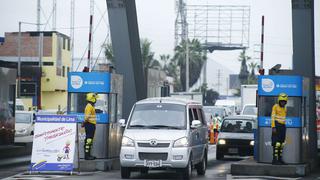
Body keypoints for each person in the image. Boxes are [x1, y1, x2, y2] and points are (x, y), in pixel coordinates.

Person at [271, 93, 288, 165]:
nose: (283, 103)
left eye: (284, 101)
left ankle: (280, 159)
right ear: (279, 101)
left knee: (281, 143)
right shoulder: (275, 106)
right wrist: (273, 127)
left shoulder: (285, 108)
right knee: (276, 143)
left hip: (283, 126)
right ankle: (274, 160)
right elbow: (272, 117)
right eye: (281, 101)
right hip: (277, 126)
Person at [83, 93, 98, 160]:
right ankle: (87, 156)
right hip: (89, 124)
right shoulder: (89, 106)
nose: (96, 100)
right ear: (92, 99)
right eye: (95, 98)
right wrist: (84, 122)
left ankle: (88, 155)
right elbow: (88, 116)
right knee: (88, 140)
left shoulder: (91, 106)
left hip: (90, 124)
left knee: (89, 140)